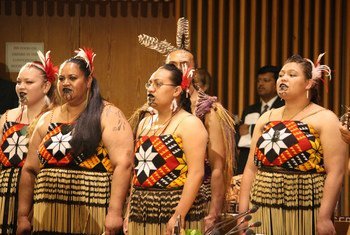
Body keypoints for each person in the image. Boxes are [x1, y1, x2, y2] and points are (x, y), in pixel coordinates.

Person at [16, 48, 134, 235]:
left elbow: (124, 164)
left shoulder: (108, 114)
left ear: (88, 81)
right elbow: (30, 169)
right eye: (61, 79)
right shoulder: (47, 118)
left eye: (72, 78)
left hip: (91, 216)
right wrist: (23, 215)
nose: (65, 83)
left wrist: (114, 211)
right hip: (48, 216)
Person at [138, 17, 236, 232]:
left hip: (200, 197)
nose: (180, 69)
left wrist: (214, 212)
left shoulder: (208, 109)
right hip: (158, 197)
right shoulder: (149, 112)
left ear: (194, 70)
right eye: (173, 65)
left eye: (185, 65)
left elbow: (218, 167)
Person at [239, 54, 348, 235]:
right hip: (261, 206)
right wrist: (243, 213)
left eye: (292, 74)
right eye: (281, 74)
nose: (283, 78)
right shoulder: (266, 118)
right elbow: (251, 168)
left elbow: (336, 172)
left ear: (308, 83)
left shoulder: (325, 118)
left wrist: (324, 217)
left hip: (304, 208)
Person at [127, 64, 208, 235]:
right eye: (149, 84)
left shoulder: (189, 123)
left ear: (177, 90)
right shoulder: (144, 123)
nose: (151, 89)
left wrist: (178, 215)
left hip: (175, 209)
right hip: (141, 211)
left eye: (158, 84)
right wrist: (129, 212)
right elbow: (137, 173)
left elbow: (196, 173)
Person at [0, 51, 57, 234]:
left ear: (46, 86)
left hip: (40, 192)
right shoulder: (7, 116)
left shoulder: (55, 118)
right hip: (5, 192)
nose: (21, 87)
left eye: (29, 82)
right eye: (18, 82)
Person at [237, 65, 284, 174]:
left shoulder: (283, 107)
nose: (260, 84)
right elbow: (242, 138)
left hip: (273, 163)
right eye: (258, 81)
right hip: (247, 162)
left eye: (266, 80)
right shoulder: (249, 109)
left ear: (276, 83)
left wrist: (250, 130)